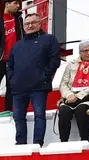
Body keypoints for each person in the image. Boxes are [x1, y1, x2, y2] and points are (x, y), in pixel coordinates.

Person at [8, 13, 60, 145]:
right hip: (19, 87)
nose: (30, 25)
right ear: (23, 26)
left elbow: (55, 60)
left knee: (39, 115)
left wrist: (44, 76)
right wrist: (12, 79)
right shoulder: (17, 45)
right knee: (18, 117)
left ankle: (38, 143)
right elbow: (9, 65)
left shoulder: (49, 39)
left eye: (33, 22)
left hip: (39, 86)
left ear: (40, 23)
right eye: (27, 23)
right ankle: (20, 144)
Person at [57, 39, 89, 142]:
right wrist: (69, 95)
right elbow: (63, 83)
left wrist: (78, 96)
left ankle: (84, 140)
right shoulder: (71, 64)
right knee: (63, 111)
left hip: (87, 98)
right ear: (80, 52)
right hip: (70, 97)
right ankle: (63, 142)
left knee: (81, 110)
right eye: (86, 50)